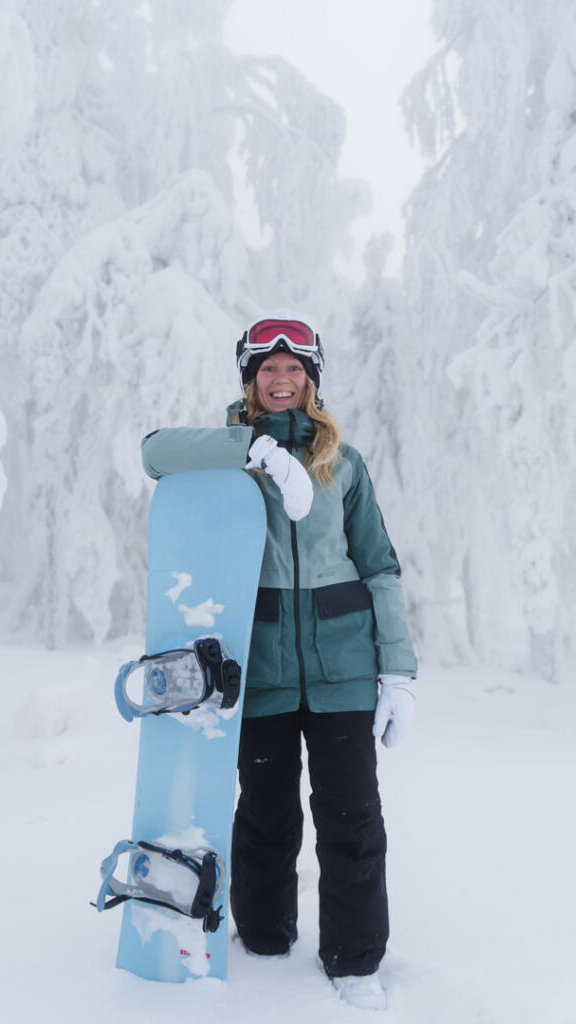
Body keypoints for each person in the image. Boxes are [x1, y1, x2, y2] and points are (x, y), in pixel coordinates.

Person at [140, 317, 417, 1011]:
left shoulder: (344, 463)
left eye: (294, 369)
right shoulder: (227, 457)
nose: (282, 378)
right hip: (259, 667)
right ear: (249, 381)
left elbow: (380, 566)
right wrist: (255, 449)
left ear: (312, 381)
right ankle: (263, 941)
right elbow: (153, 453)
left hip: (343, 670)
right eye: (268, 369)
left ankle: (354, 961)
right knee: (265, 816)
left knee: (352, 817)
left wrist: (399, 672)